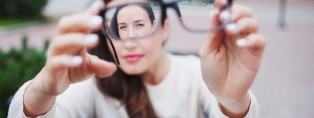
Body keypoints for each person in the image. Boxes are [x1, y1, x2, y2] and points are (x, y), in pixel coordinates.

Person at [8, 0, 265, 117]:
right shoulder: (93, 80)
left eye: (141, 24)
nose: (129, 39)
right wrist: (42, 89)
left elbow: (227, 105)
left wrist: (232, 101)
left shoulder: (197, 75)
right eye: (120, 27)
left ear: (164, 28)